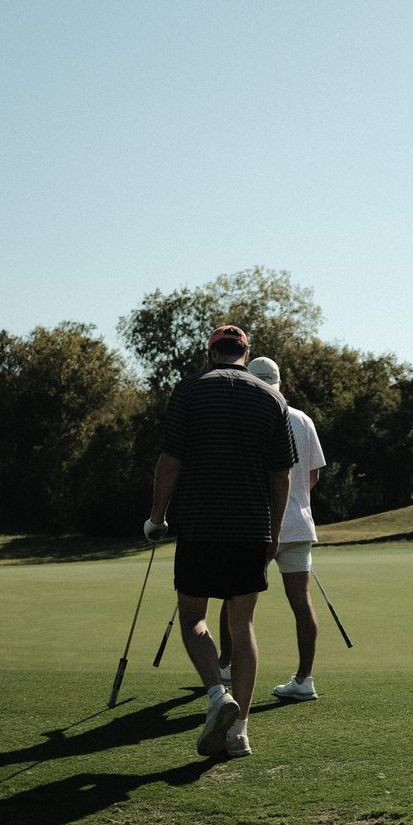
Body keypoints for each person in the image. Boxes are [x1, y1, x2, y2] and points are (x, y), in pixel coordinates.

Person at [145, 325, 296, 759]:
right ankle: (240, 732)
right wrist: (275, 532)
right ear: (246, 353)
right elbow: (281, 476)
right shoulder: (272, 398)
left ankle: (216, 694)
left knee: (194, 618)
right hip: (251, 528)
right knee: (242, 625)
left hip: (200, 524)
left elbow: (169, 461)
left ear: (211, 353)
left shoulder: (190, 390)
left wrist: (157, 518)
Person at [216, 356, 327, 702]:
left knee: (233, 596)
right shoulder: (303, 419)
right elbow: (313, 475)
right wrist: (297, 501)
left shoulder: (246, 417)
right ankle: (304, 679)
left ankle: (225, 666)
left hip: (256, 524)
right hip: (298, 525)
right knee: (301, 601)